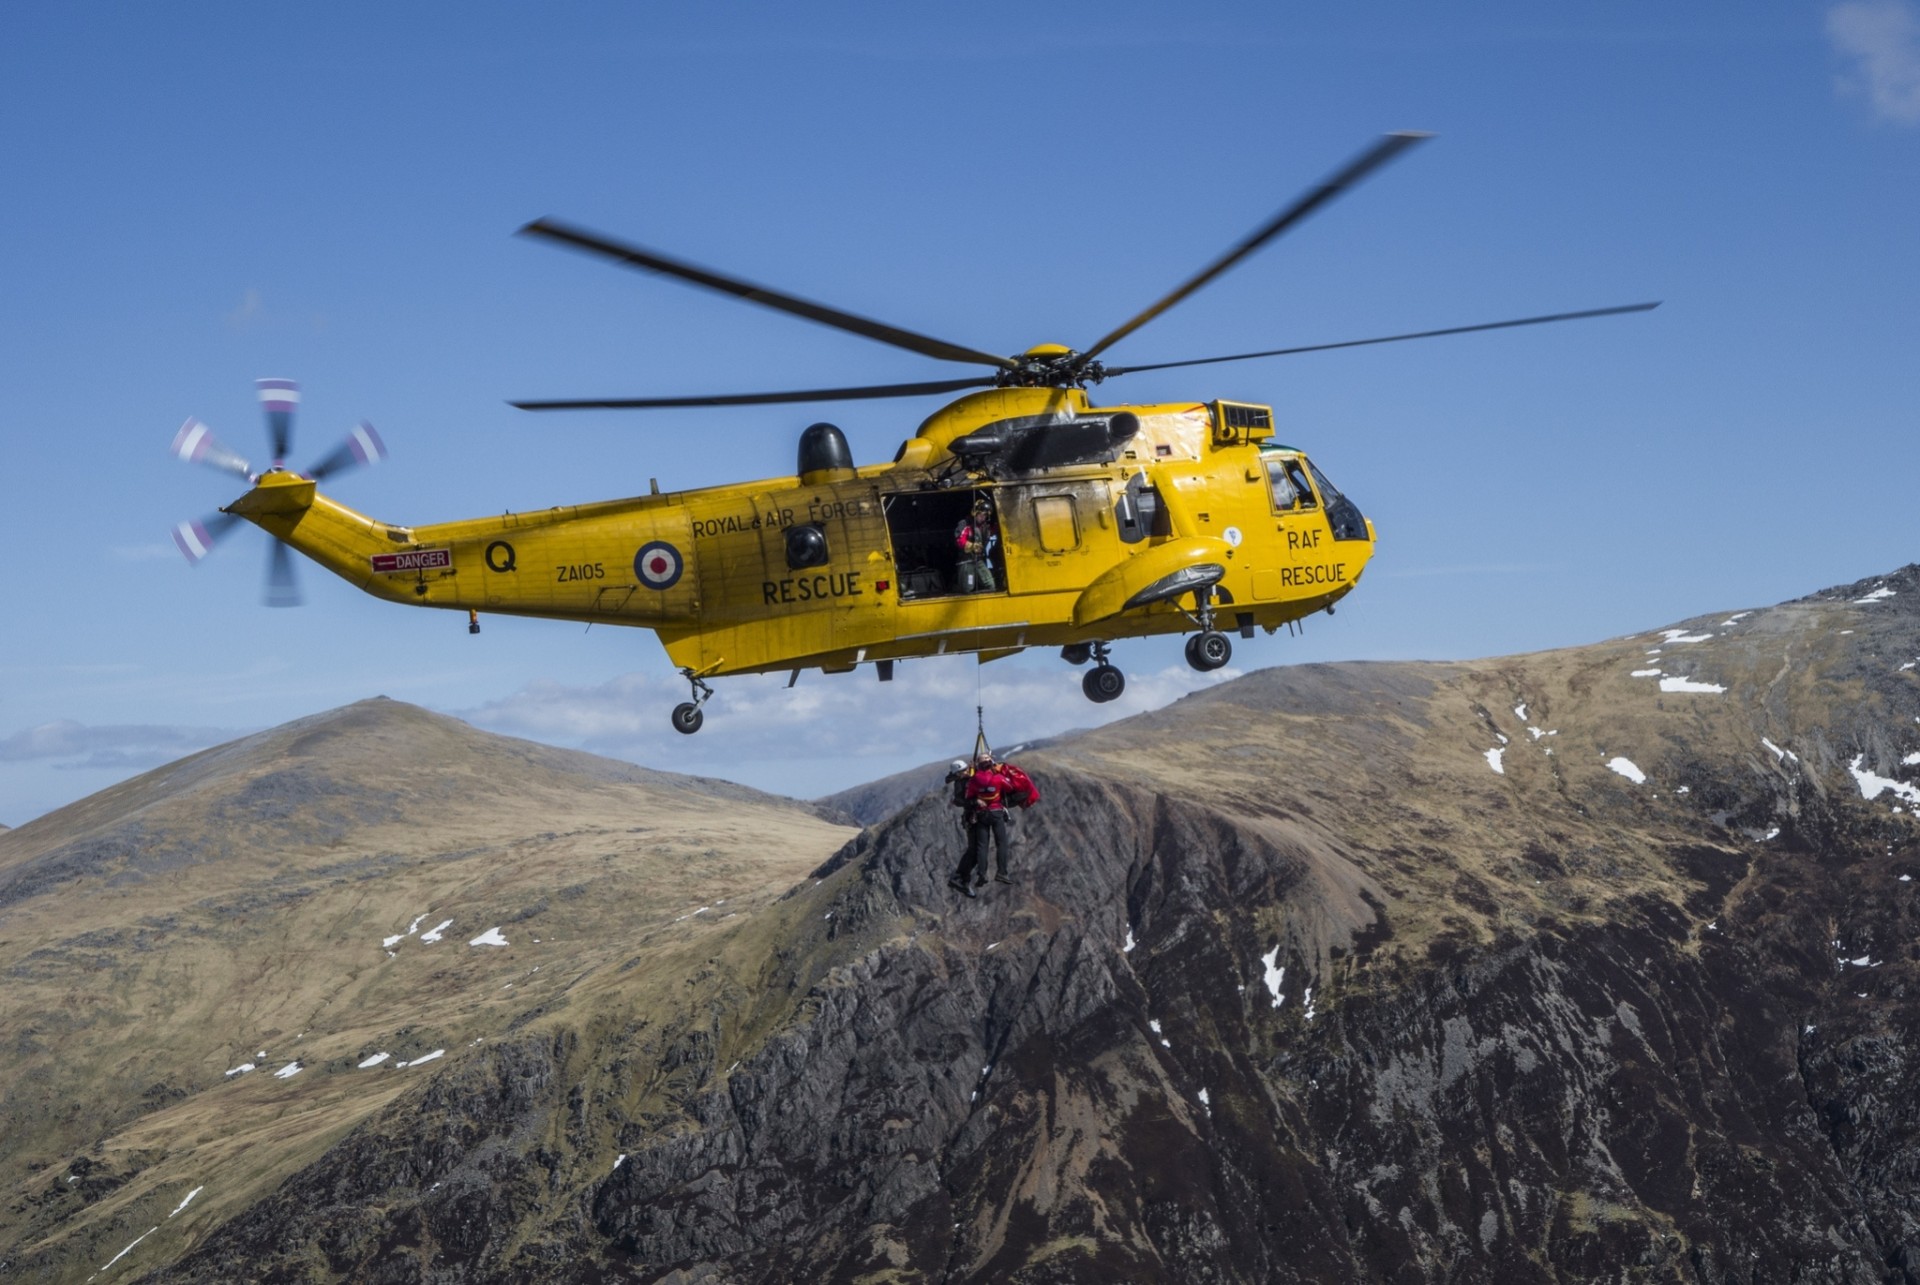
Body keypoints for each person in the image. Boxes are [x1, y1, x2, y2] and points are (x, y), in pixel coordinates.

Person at [956, 753, 1016, 889]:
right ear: (991, 763)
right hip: (996, 813)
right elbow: (1010, 787)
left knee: (982, 846)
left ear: (978, 765)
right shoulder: (998, 778)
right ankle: (1002, 872)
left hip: (981, 815)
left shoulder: (974, 780)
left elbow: (969, 795)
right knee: (1002, 843)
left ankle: (982, 874)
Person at [954, 497, 997, 593]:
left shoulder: (985, 527)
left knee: (990, 584)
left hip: (979, 561)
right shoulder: (965, 524)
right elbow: (959, 540)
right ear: (975, 513)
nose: (983, 518)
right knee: (968, 588)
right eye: (981, 515)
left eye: (985, 516)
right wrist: (972, 546)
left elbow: (994, 531)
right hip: (967, 562)